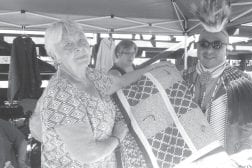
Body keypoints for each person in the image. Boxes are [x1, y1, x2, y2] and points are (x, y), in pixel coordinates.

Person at [32, 20, 170, 167]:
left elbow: (120, 82)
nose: (78, 47)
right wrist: (117, 136)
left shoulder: (90, 75)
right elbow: (88, 153)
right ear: (54, 55)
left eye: (81, 40)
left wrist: (153, 67)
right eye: (67, 44)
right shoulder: (61, 93)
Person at [183, 29, 252, 166]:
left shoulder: (240, 81)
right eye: (204, 44)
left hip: (225, 161)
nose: (209, 50)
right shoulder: (182, 77)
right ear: (197, 46)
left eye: (217, 45)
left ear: (226, 48)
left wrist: (244, 153)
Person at [108, 40, 148, 168]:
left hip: (137, 115)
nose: (131, 56)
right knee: (128, 153)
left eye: (133, 53)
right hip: (123, 118)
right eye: (127, 53)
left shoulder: (135, 68)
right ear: (118, 53)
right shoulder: (114, 72)